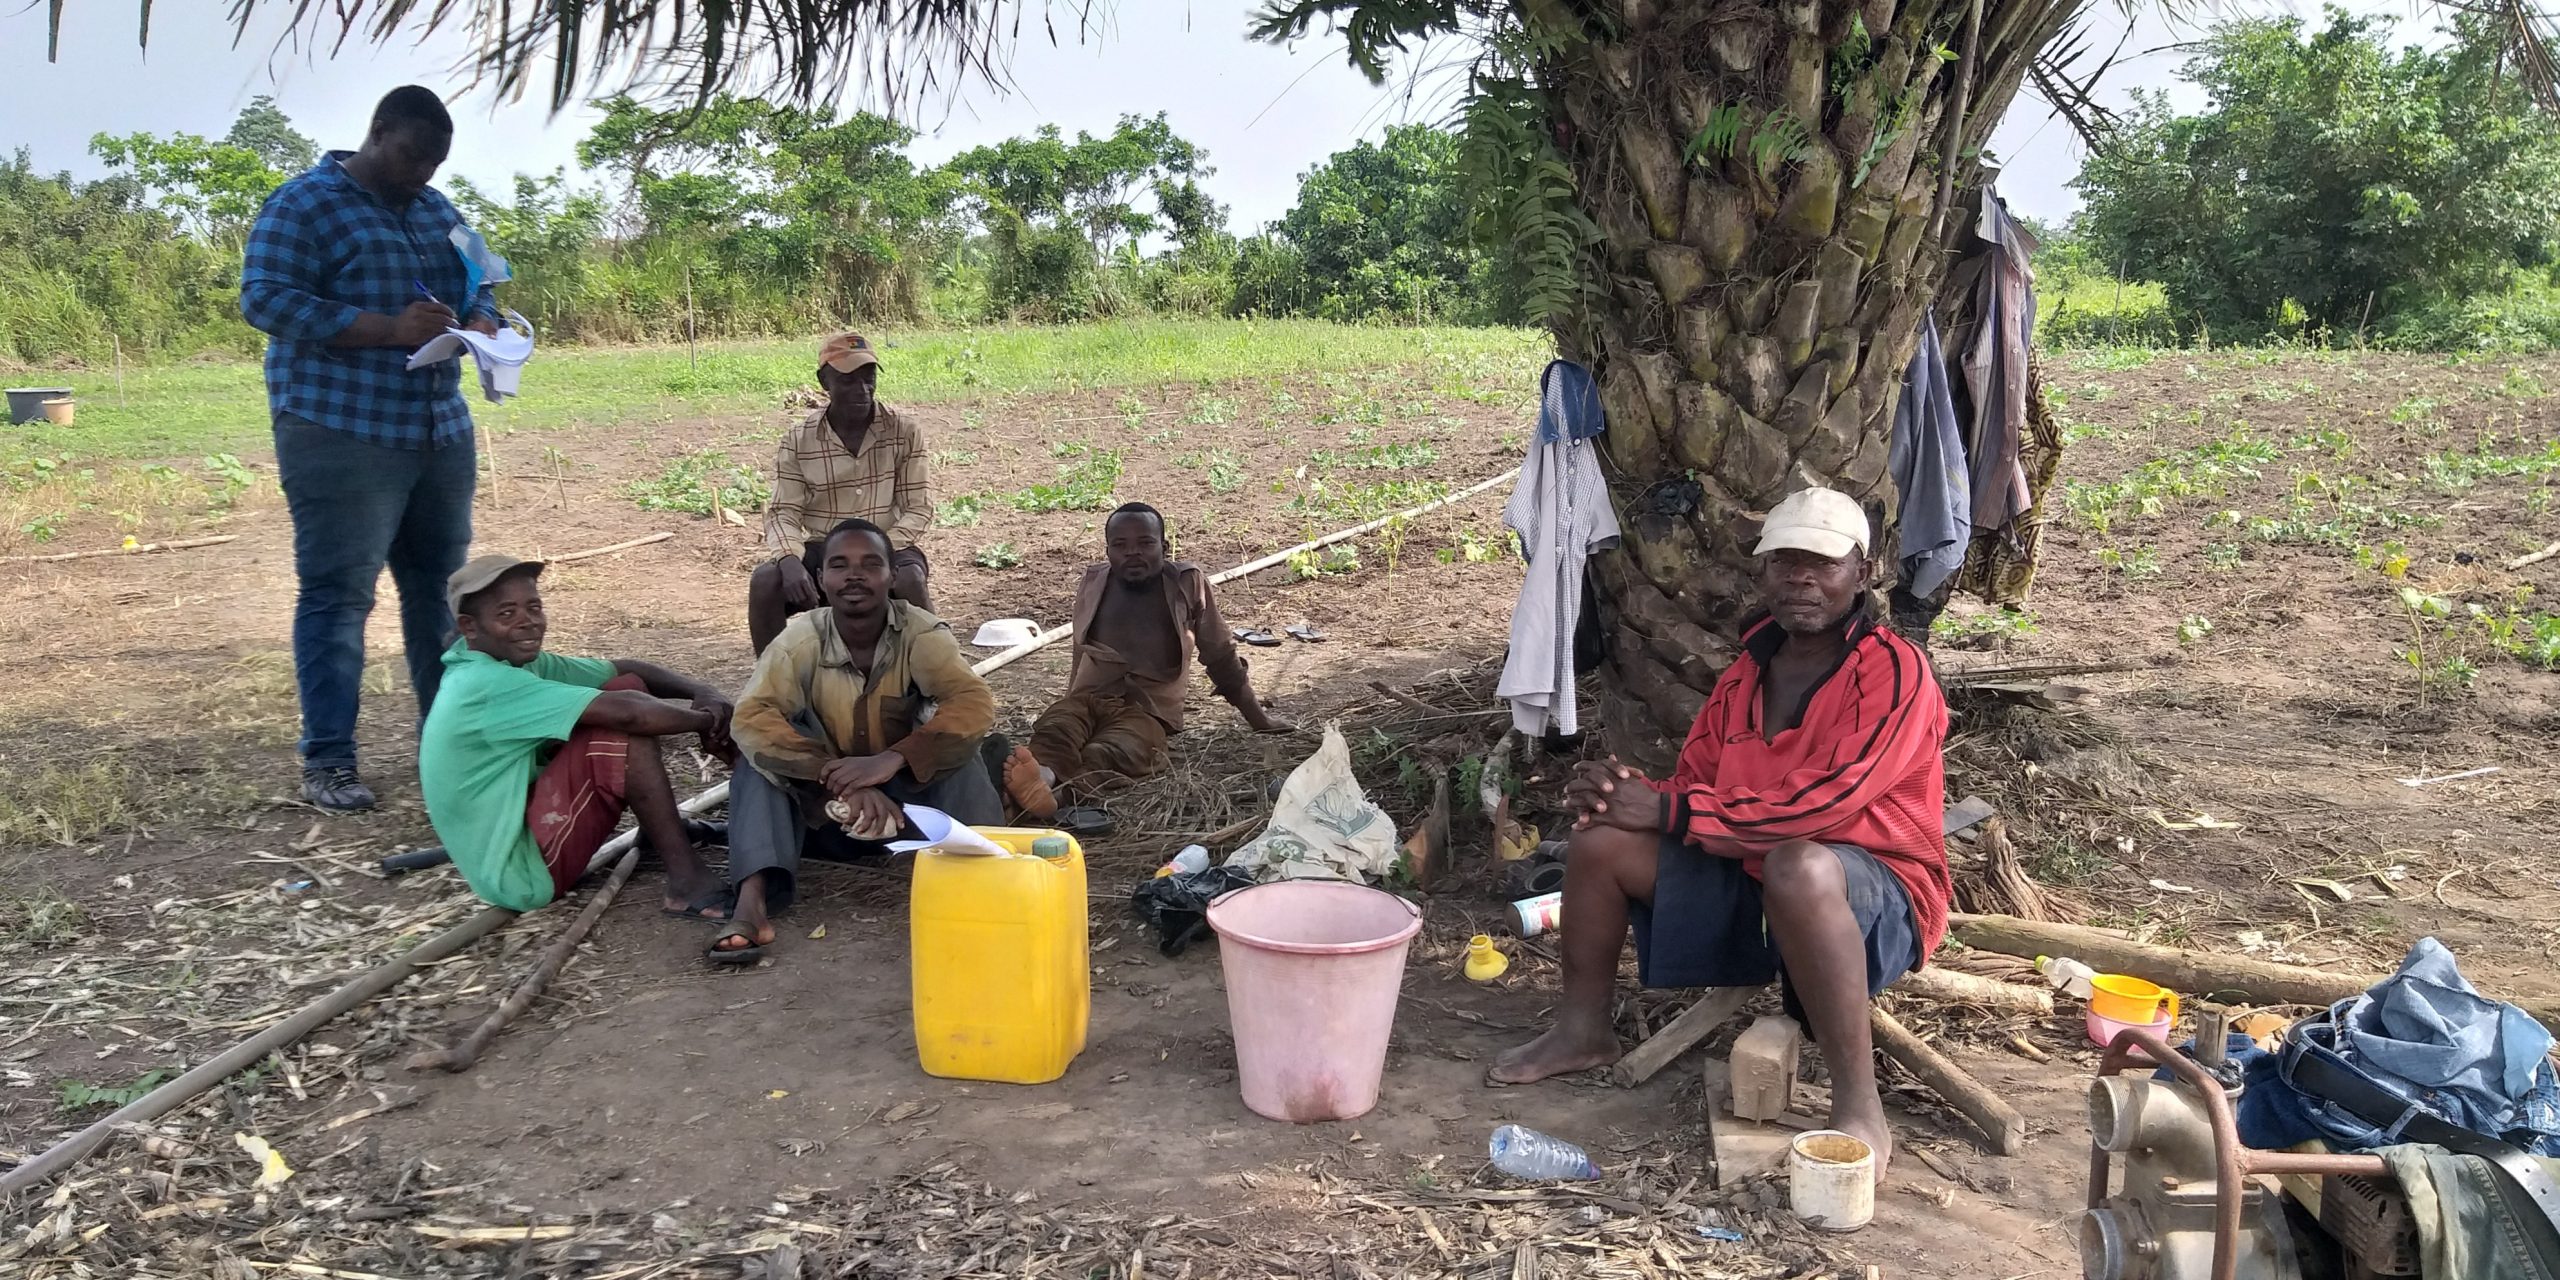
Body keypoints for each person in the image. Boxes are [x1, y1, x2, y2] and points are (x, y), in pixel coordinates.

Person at [1489, 486, 1950, 1178]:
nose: (1802, 578)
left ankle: (1859, 1104)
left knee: (1801, 862)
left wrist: (1671, 813)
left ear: (1863, 571)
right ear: (1762, 574)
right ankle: (1583, 1031)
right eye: (1785, 562)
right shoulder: (1744, 678)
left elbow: (1830, 805)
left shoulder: (1893, 669)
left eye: (1823, 563)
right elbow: (1700, 786)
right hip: (1758, 877)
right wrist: (1626, 797)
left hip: (1870, 898)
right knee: (1601, 842)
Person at [240, 85, 505, 813]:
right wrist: (389, 328)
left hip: (436, 432)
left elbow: (487, 281)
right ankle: (329, 761)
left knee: (440, 594)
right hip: (340, 433)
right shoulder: (304, 204)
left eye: (435, 162)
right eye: (413, 155)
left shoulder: (440, 211)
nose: (422, 172)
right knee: (337, 597)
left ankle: (443, 746)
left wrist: (482, 321)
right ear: (378, 130)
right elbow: (265, 300)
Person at [723, 519, 1004, 963]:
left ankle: (987, 886)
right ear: (821, 580)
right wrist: (839, 780)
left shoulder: (921, 633)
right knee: (754, 758)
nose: (854, 576)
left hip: (906, 806)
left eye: (870, 564)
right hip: (824, 810)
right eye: (840, 565)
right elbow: (753, 716)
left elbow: (972, 702)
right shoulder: (800, 639)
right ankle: (751, 904)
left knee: (959, 750)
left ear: (891, 576)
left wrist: (893, 759)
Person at [420, 555, 738, 918]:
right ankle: (686, 883)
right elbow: (631, 714)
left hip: (522, 819)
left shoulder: (503, 658)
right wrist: (707, 722)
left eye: (534, 607)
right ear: (469, 627)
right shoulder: (484, 684)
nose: (528, 622)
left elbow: (625, 671)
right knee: (620, 736)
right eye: (506, 614)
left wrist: (702, 691)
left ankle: (659, 834)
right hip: (520, 873)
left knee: (624, 687)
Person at [1023, 504, 1290, 800]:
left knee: (1112, 752)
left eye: (1145, 543)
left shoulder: (1187, 583)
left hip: (1146, 711)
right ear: (1108, 550)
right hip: (1088, 698)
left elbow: (1221, 656)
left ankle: (1058, 797)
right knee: (1055, 732)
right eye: (1120, 545)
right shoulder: (1094, 582)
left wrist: (1259, 720)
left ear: (1164, 547)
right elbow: (1079, 652)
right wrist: (1069, 702)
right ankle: (1041, 778)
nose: (1132, 553)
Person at [748, 333, 935, 654]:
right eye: (847, 380)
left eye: (868, 378)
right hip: (825, 547)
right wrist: (789, 559)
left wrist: (878, 553)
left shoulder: (903, 431)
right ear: (824, 382)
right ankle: (772, 685)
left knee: (910, 582)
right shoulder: (798, 439)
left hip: (890, 542)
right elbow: (783, 512)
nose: (861, 390)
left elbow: (918, 508)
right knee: (767, 582)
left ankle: (935, 669)